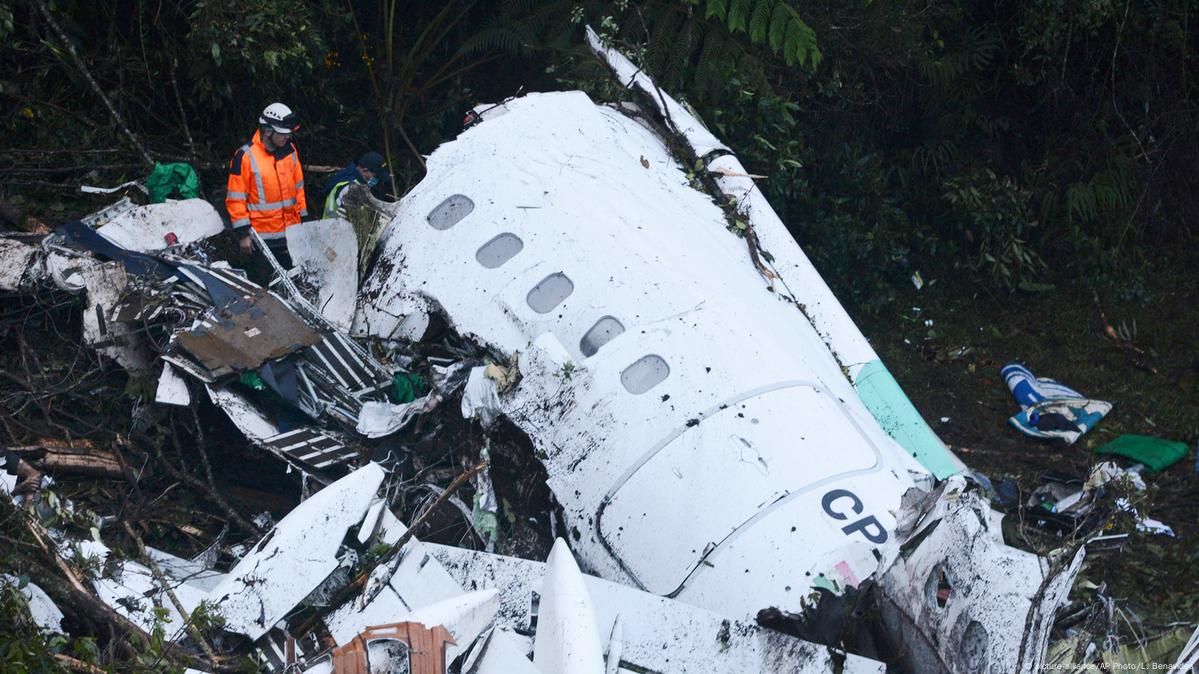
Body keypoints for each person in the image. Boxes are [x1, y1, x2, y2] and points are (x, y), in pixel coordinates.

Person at [226, 103, 307, 272]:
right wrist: (243, 235)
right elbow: (236, 199)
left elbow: (298, 188)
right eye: (283, 134)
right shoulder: (245, 156)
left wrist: (304, 221)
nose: (288, 138)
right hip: (262, 239)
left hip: (291, 234)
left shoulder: (290, 151)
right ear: (268, 131)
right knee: (264, 287)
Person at [322, 151, 386, 218]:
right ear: (365, 170)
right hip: (334, 226)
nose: (377, 180)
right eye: (376, 176)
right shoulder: (348, 188)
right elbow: (357, 219)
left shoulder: (350, 175)